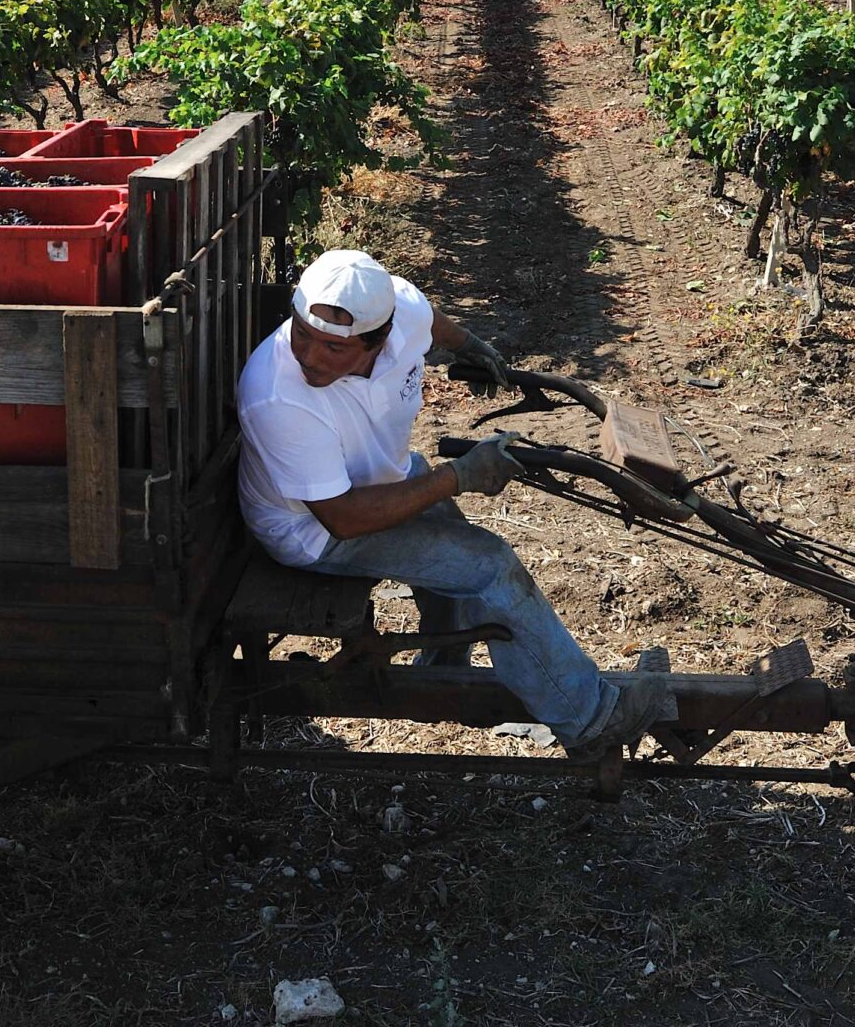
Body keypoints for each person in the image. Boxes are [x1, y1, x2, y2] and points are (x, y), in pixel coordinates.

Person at [236, 250, 670, 759]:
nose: (309, 356)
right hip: (312, 530)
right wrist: (458, 477)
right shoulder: (277, 394)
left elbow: (430, 320)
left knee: (447, 532)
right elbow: (344, 518)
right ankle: (591, 720)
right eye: (302, 334)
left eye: (334, 348)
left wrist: (471, 346)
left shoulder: (398, 311)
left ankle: (442, 666)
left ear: (379, 339)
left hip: (375, 478)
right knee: (488, 566)